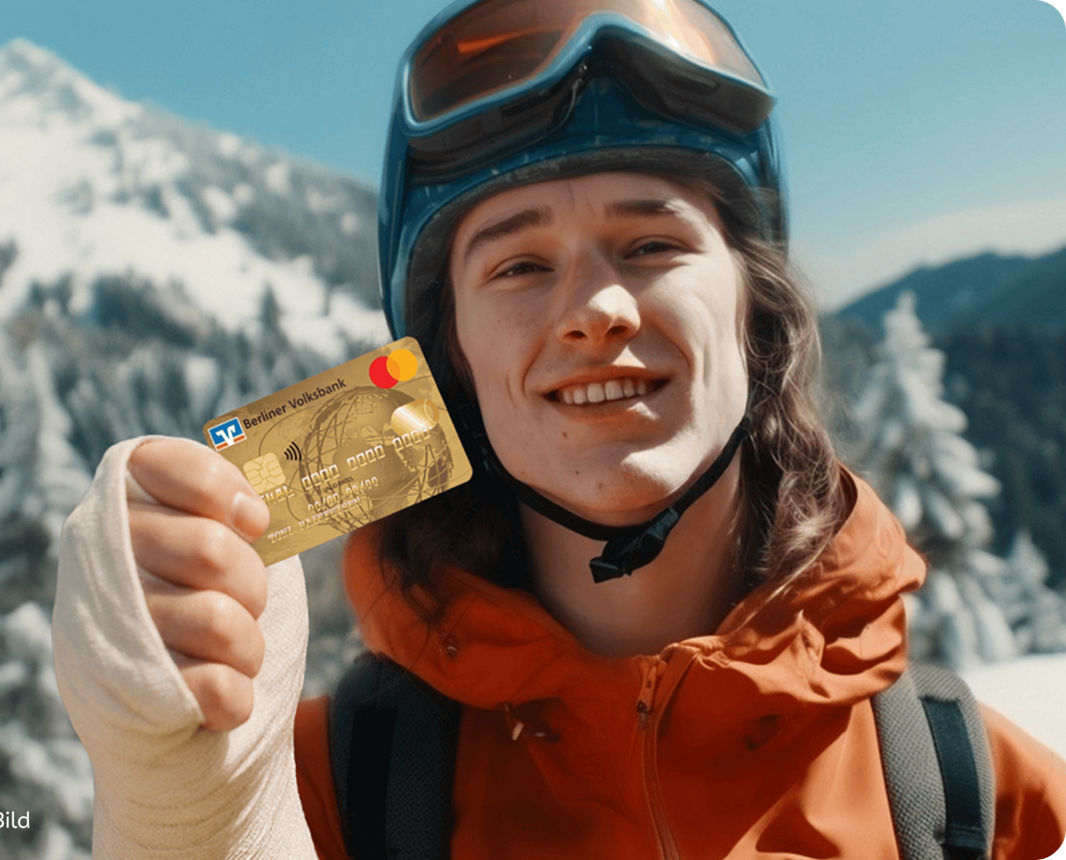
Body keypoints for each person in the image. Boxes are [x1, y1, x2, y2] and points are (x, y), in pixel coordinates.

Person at [51, 1, 1066, 857]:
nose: (597, 309)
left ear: (756, 312)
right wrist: (182, 812)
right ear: (449, 366)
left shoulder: (958, 781)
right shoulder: (328, 789)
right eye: (518, 265)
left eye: (654, 240)